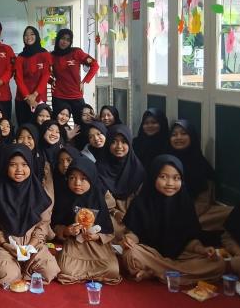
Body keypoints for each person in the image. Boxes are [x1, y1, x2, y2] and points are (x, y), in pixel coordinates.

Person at [121, 155, 225, 285]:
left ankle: (156, 273)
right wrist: (129, 240)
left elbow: (188, 239)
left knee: (219, 263)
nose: (170, 183)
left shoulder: (184, 203)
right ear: (153, 177)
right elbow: (134, 233)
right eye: (163, 177)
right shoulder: (141, 203)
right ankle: (174, 274)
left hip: (180, 255)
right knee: (131, 254)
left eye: (176, 178)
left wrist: (201, 250)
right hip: (151, 254)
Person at [0, 144, 60, 287]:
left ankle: (23, 269)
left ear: (31, 165)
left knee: (50, 270)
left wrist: (31, 246)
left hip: (33, 246)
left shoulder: (38, 192)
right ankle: (15, 269)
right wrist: (6, 245)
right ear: (5, 166)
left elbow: (43, 224)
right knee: (7, 275)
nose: (19, 169)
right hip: (6, 247)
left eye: (24, 164)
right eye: (13, 165)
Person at [53, 157, 121, 285]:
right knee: (65, 269)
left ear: (92, 179)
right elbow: (55, 225)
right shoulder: (65, 197)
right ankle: (93, 275)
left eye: (83, 178)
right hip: (74, 243)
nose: (77, 183)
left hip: (96, 245)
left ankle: (83, 275)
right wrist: (67, 231)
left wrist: (96, 236)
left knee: (112, 270)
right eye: (72, 178)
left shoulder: (98, 198)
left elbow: (108, 230)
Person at [168, 119, 231, 231]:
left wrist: (187, 217)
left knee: (232, 213)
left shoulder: (200, 164)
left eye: (184, 133)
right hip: (166, 209)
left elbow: (203, 201)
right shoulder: (165, 161)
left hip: (194, 212)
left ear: (192, 137)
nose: (178, 137)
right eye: (174, 135)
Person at [97, 124, 146, 239]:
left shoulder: (138, 170)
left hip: (133, 216)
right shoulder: (99, 168)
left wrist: (129, 216)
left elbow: (142, 202)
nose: (119, 146)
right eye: (114, 141)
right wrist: (114, 212)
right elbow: (97, 198)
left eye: (124, 142)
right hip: (107, 214)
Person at [50, 28, 98, 131]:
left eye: (68, 40)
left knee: (81, 126)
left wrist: (84, 81)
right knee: (59, 126)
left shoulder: (76, 52)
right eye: (62, 38)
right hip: (59, 96)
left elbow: (95, 65)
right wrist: (50, 81)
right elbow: (43, 72)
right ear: (58, 39)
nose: (64, 42)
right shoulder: (52, 56)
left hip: (76, 95)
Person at [14, 26, 52, 126]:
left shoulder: (45, 54)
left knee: (41, 127)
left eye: (32, 34)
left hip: (39, 98)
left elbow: (45, 76)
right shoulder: (20, 57)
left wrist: (34, 95)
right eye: (26, 35)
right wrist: (28, 97)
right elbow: (18, 78)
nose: (28, 37)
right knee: (24, 127)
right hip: (22, 99)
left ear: (37, 36)